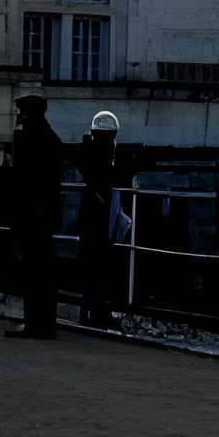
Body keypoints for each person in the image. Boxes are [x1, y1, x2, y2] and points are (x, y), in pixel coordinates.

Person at [1, 93, 64, 338]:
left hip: (32, 214)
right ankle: (41, 323)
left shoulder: (31, 139)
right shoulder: (49, 138)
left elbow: (25, 179)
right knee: (41, 269)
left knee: (34, 269)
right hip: (40, 214)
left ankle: (37, 324)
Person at [73, 110, 132, 329]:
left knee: (92, 265)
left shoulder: (88, 156)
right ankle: (97, 311)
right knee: (99, 265)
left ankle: (90, 310)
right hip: (100, 220)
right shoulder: (105, 160)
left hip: (92, 219)